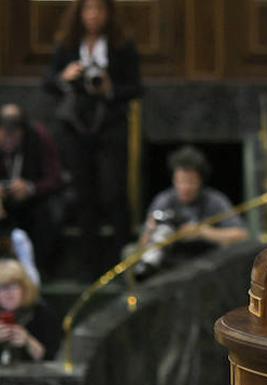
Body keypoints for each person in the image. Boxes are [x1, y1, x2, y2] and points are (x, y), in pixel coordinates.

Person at [42, 0, 142, 279]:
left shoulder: (122, 45)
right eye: (88, 10)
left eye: (99, 9)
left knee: (113, 191)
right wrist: (65, 76)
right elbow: (48, 82)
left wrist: (110, 88)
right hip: (75, 125)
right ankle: (89, 267)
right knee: (83, 194)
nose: (94, 15)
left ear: (109, 13)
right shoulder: (67, 44)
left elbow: (136, 87)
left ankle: (122, 262)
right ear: (79, 13)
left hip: (109, 124)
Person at [134, 146, 248, 278]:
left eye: (190, 182)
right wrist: (150, 231)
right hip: (169, 266)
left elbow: (241, 235)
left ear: (200, 181)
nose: (184, 187)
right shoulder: (164, 200)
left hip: (207, 267)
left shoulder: (215, 201)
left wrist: (202, 232)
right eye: (180, 181)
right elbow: (142, 247)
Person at [0, 104, 63, 277]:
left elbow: (55, 178)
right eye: (4, 135)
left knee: (47, 212)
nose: (8, 141)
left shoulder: (39, 137)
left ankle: (41, 271)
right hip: (3, 202)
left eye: (14, 135)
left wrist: (31, 188)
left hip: (35, 198)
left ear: (23, 132)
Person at [0, 259, 60, 363]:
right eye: (3, 287)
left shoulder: (43, 314)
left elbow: (53, 360)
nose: (9, 293)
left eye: (14, 286)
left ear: (25, 289)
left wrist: (28, 341)